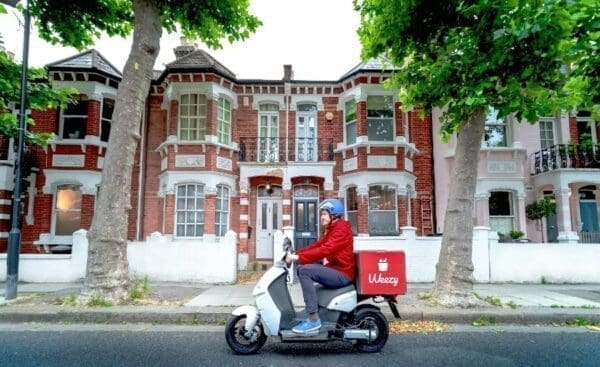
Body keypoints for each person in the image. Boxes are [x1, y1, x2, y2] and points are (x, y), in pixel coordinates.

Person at [285, 198, 355, 334]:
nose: (321, 217)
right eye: (321, 214)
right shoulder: (332, 229)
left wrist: (298, 258)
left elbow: (325, 250)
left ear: (333, 214)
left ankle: (313, 319)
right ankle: (312, 311)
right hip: (336, 269)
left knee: (304, 271)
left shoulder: (341, 230)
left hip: (343, 273)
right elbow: (317, 245)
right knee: (303, 269)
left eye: (324, 214)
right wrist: (296, 253)